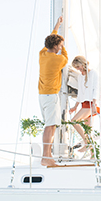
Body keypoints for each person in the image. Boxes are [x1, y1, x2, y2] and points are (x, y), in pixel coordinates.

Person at [39, 16, 68, 166]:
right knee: (50, 126)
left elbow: (52, 40)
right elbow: (65, 57)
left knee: (50, 125)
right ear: (56, 46)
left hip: (43, 95)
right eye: (60, 45)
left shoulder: (42, 55)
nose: (62, 46)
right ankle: (46, 157)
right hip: (51, 96)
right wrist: (63, 48)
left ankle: (47, 155)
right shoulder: (57, 60)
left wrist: (57, 26)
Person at [69, 56, 100, 153]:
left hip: (91, 104)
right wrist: (75, 106)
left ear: (83, 64)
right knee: (88, 131)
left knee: (74, 121)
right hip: (84, 104)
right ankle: (93, 155)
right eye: (76, 68)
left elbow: (96, 89)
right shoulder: (80, 76)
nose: (78, 69)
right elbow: (80, 93)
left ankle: (87, 143)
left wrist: (94, 104)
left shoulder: (93, 73)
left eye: (78, 67)